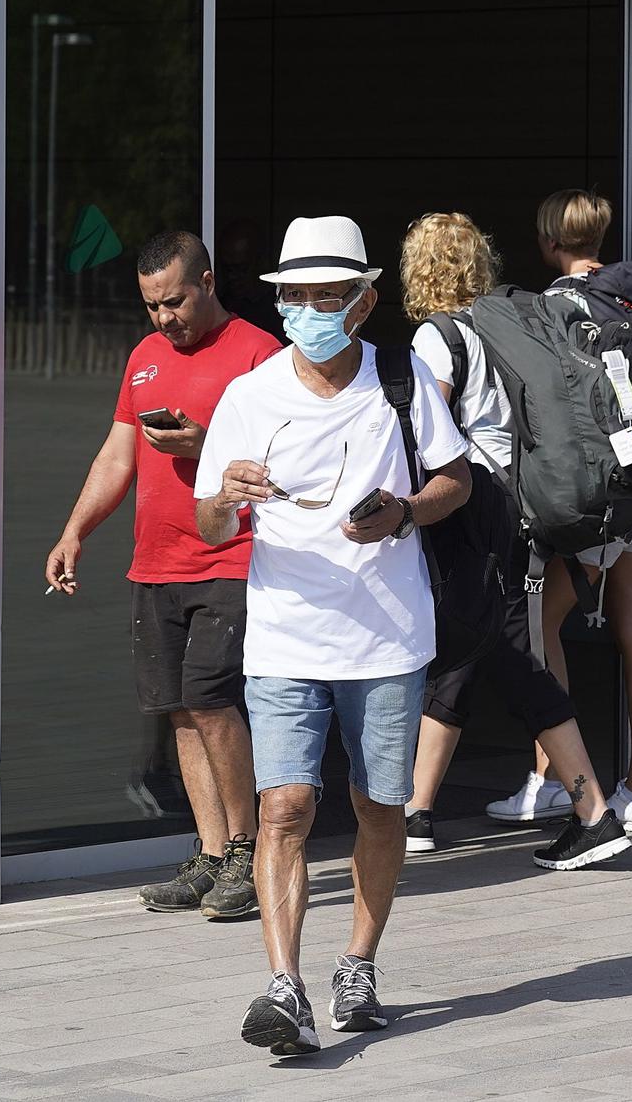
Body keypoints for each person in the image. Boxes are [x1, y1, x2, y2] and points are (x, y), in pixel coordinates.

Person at [194, 215, 472, 1056]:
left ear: (363, 300)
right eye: (298, 296)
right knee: (285, 806)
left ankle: (359, 962)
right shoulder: (249, 396)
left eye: (329, 295)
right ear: (281, 302)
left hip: (387, 638)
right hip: (284, 636)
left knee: (377, 807)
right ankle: (283, 986)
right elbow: (208, 525)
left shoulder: (401, 379)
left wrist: (402, 516)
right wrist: (226, 498)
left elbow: (455, 481)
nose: (312, 309)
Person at [45, 230, 280, 919]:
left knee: (211, 700)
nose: (163, 319)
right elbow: (118, 455)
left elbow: (282, 466)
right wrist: (74, 531)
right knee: (179, 710)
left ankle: (247, 850)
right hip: (156, 563)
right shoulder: (145, 357)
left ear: (207, 282)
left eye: (173, 302)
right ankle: (211, 855)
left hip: (231, 559)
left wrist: (206, 445)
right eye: (151, 306)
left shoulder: (259, 355)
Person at [397, 212, 632, 869]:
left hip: (473, 510)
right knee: (468, 652)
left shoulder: (438, 338)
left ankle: (593, 812)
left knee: (516, 660)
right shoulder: (506, 325)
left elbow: (431, 440)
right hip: (514, 505)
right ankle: (415, 812)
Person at [483, 190, 632, 834]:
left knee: (542, 628)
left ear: (548, 238)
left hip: (606, 496)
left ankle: (555, 778)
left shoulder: (558, 305)